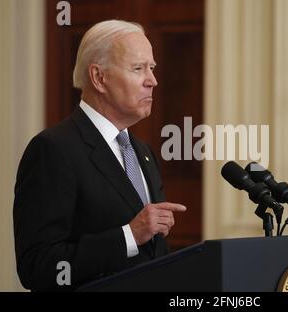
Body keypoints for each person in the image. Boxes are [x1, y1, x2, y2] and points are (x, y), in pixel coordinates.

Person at [13, 20, 186, 291]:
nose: (152, 81)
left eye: (151, 68)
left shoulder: (143, 153)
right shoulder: (53, 150)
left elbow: (154, 252)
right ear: (99, 78)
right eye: (138, 68)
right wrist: (129, 236)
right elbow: (38, 266)